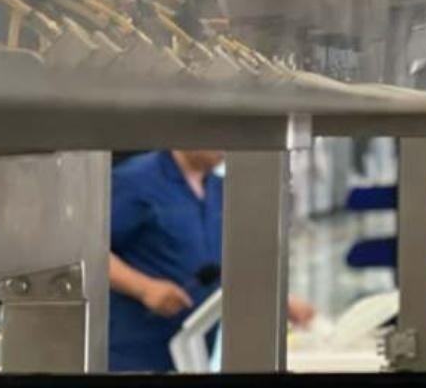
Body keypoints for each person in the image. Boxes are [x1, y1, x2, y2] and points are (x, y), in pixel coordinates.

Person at [108, 150, 313, 372]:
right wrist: (144, 288)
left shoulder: (220, 189)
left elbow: (229, 263)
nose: (224, 148)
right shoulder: (135, 181)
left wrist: (277, 299)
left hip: (193, 351)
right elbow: (94, 251)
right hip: (134, 353)